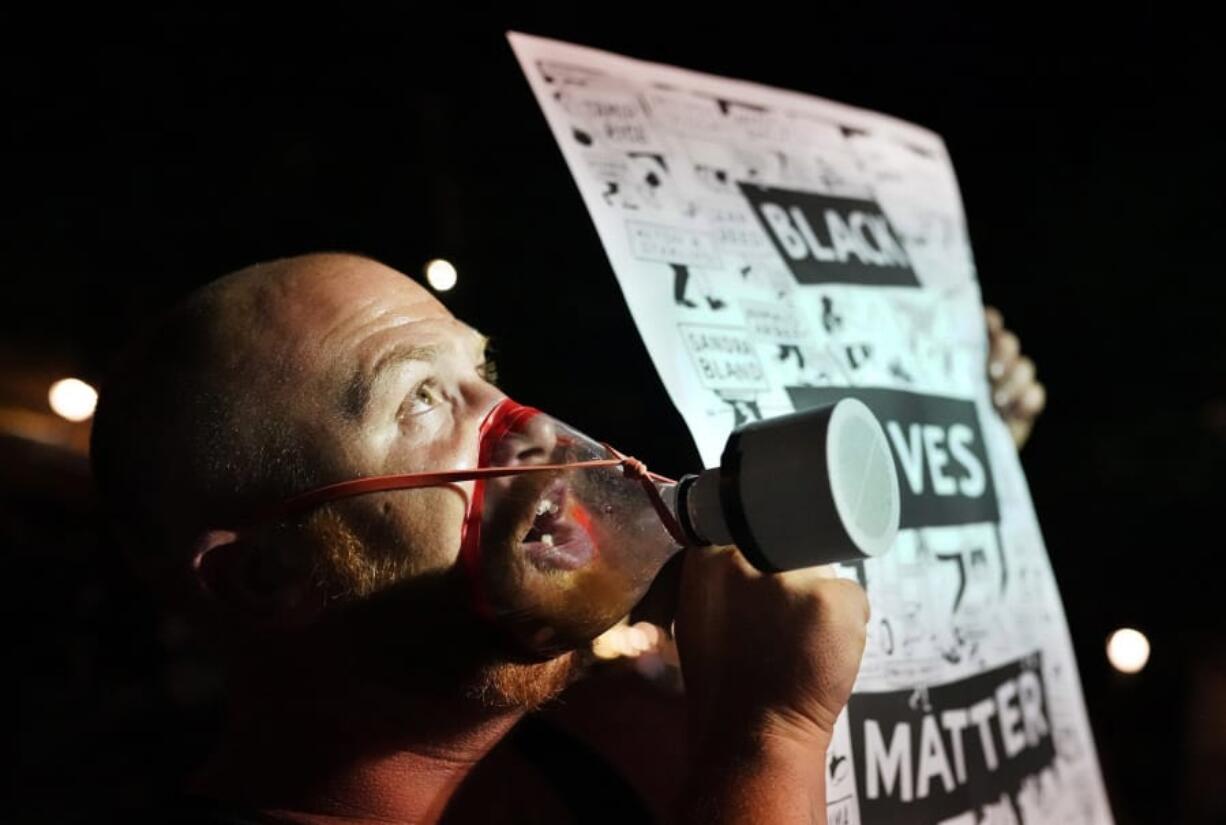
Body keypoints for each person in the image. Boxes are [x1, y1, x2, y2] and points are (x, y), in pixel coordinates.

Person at [91, 253, 874, 825]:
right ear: (265, 574)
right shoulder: (721, 729)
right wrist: (771, 741)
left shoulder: (596, 749)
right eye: (421, 400)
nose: (527, 422)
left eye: (483, 369)